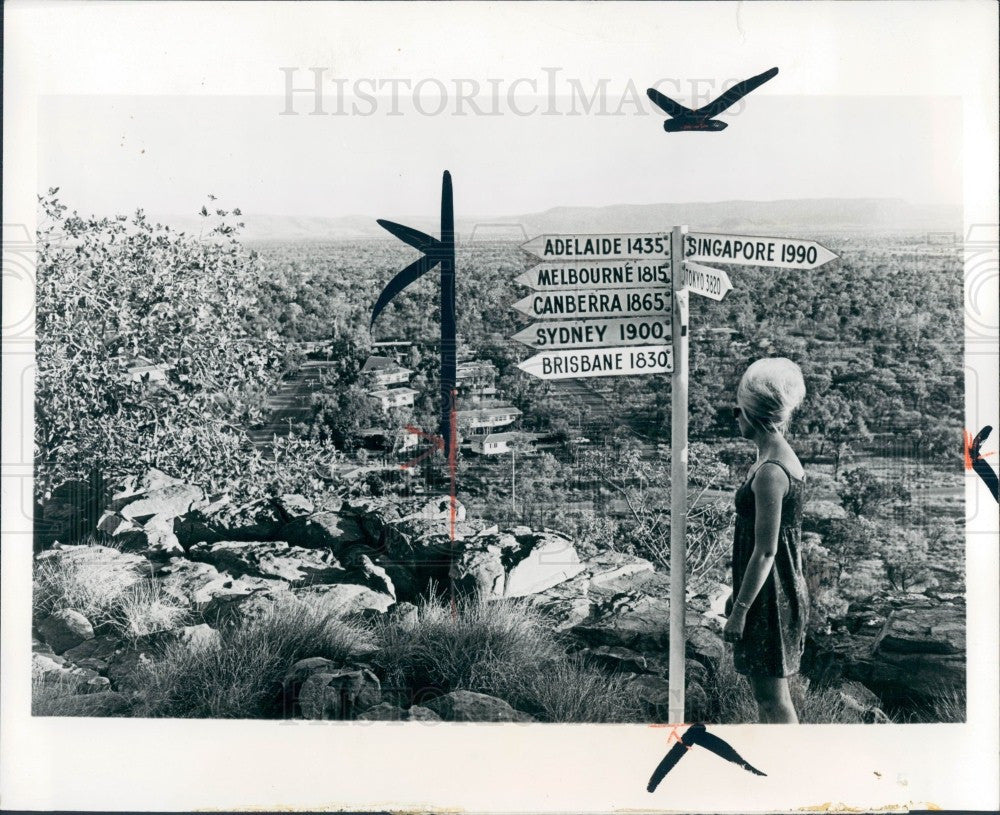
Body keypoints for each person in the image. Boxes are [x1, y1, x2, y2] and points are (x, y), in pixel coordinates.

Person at [723, 357, 809, 723]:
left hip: (771, 597)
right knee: (767, 699)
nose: (734, 416)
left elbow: (766, 550)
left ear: (754, 414)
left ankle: (788, 768)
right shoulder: (771, 459)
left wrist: (740, 611)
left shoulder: (772, 472)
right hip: (770, 590)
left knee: (773, 700)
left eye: (738, 409)